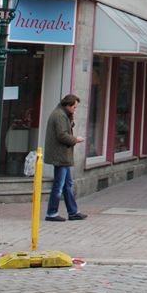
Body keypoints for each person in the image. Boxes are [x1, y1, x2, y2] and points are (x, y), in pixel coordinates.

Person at [44, 94, 87, 222]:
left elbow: (65, 129)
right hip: (60, 155)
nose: (75, 109)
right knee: (59, 185)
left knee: (67, 184)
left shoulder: (63, 114)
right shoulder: (59, 115)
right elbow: (62, 135)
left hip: (63, 156)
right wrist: (76, 140)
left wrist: (71, 120)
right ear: (67, 105)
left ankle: (73, 212)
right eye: (74, 107)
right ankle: (52, 213)